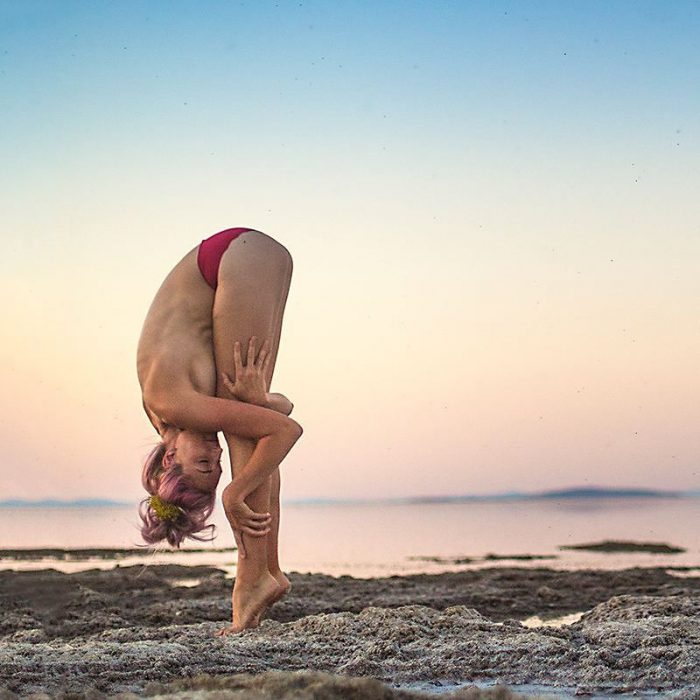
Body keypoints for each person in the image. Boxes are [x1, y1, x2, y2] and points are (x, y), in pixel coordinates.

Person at [136, 227, 302, 633]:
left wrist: (235, 490)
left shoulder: (173, 403)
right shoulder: (172, 416)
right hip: (240, 258)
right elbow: (282, 412)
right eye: (218, 464)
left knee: (246, 425)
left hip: (232, 259)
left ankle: (253, 577)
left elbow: (284, 430)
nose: (216, 451)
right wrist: (259, 403)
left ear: (170, 457)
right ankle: (268, 569)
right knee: (247, 415)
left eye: (204, 460)